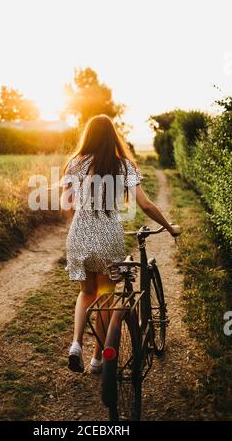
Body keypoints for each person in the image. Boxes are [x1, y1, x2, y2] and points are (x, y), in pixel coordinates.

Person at [60, 114, 180, 373]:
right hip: (108, 238)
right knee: (106, 298)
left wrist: (81, 221)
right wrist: (170, 228)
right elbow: (145, 204)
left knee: (86, 293)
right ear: (112, 136)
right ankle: (96, 360)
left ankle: (76, 345)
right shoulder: (124, 166)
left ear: (88, 136)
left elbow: (65, 204)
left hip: (79, 235)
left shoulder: (74, 163)